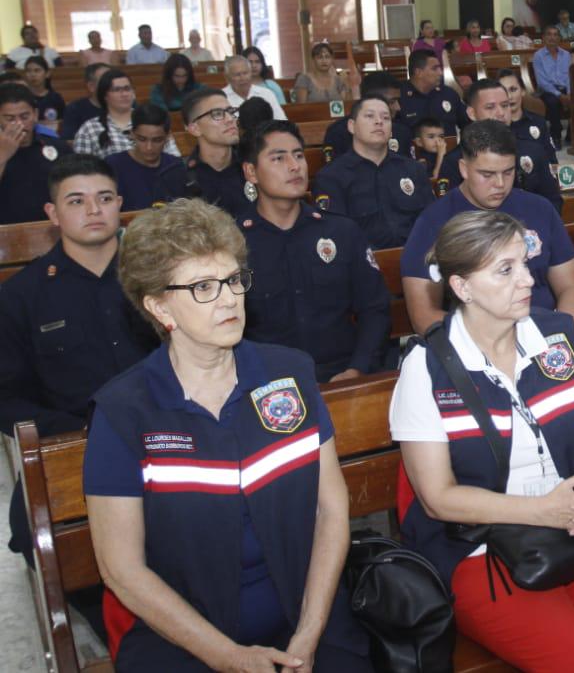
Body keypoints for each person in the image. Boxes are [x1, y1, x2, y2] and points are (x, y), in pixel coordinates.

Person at [84, 199, 371, 672]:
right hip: (184, 637)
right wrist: (227, 656)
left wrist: (309, 632)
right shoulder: (124, 412)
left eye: (234, 280)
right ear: (158, 306)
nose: (229, 298)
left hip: (306, 616)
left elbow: (331, 509)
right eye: (203, 287)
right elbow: (122, 570)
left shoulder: (290, 374)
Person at [392, 211, 574, 671]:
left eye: (525, 263)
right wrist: (543, 511)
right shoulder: (426, 368)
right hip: (479, 548)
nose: (528, 280)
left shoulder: (558, 338)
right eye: (505, 270)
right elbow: (438, 499)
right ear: (462, 287)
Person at [1, 154, 156, 561]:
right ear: (52, 213)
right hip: (76, 446)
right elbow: (6, 399)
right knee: (56, 547)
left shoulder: (156, 279)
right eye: (76, 201)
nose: (93, 210)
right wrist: (78, 431)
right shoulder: (22, 297)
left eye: (104, 198)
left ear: (120, 205)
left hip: (168, 434)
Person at [238, 120, 390, 382]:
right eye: (278, 158)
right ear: (251, 172)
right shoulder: (233, 242)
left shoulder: (341, 231)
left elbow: (375, 308)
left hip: (343, 373)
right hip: (265, 381)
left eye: (298, 155)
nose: (295, 166)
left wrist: (357, 369)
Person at [401, 120, 574, 335]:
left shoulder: (539, 208)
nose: (500, 183)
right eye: (487, 175)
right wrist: (496, 345)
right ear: (464, 169)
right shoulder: (435, 222)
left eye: (508, 172)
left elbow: (571, 287)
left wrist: (563, 339)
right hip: (476, 341)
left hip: (545, 332)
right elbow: (423, 314)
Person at [312, 96, 432, 249]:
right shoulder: (331, 177)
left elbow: (432, 220)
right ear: (351, 126)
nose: (379, 121)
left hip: (417, 259)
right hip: (361, 266)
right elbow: (334, 234)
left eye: (385, 118)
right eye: (369, 116)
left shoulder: (413, 169)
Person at [435, 79, 561, 211]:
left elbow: (553, 202)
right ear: (472, 113)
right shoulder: (454, 161)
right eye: (490, 107)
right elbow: (448, 211)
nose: (501, 113)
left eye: (505, 105)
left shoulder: (533, 151)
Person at [159, 88, 252, 215]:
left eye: (231, 111)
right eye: (218, 114)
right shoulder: (175, 178)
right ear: (195, 129)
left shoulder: (253, 167)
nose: (230, 119)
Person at [0, 84, 71, 224]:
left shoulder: (57, 147)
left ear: (36, 114)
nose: (19, 124)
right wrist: (3, 155)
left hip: (53, 226)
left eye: (25, 116)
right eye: (9, 118)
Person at [74, 68, 181, 160]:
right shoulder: (90, 128)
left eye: (127, 89)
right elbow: (83, 170)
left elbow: (174, 157)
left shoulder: (151, 119)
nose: (124, 94)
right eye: (116, 90)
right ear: (104, 95)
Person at [106, 103, 183, 211]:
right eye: (142, 139)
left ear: (168, 137)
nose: (149, 147)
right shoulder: (112, 165)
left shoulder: (176, 166)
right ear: (132, 134)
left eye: (157, 140)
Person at [323, 70, 414, 162]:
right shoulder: (339, 132)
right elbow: (334, 172)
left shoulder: (402, 130)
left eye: (398, 101)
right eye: (392, 102)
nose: (398, 107)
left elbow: (409, 169)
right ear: (371, 100)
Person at [497, 68, 556, 162]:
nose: (509, 96)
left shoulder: (538, 122)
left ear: (523, 91)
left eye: (513, 89)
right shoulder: (494, 127)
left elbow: (552, 160)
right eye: (504, 91)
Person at [400, 49, 464, 134]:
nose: (440, 73)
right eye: (435, 68)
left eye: (440, 68)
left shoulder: (448, 94)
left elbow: (468, 123)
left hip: (449, 146)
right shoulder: (400, 97)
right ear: (418, 72)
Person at [532, 24, 573, 145]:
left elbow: (570, 77)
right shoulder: (538, 56)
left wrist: (570, 93)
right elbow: (542, 82)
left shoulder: (566, 55)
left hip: (566, 89)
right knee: (553, 102)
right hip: (547, 90)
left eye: (555, 35)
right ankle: (556, 135)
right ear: (543, 38)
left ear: (559, 38)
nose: (552, 37)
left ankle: (572, 135)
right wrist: (559, 95)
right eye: (549, 34)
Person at [24, 55, 64, 121]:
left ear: (47, 73)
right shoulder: (23, 97)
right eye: (28, 71)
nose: (32, 74)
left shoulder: (56, 98)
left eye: (37, 71)